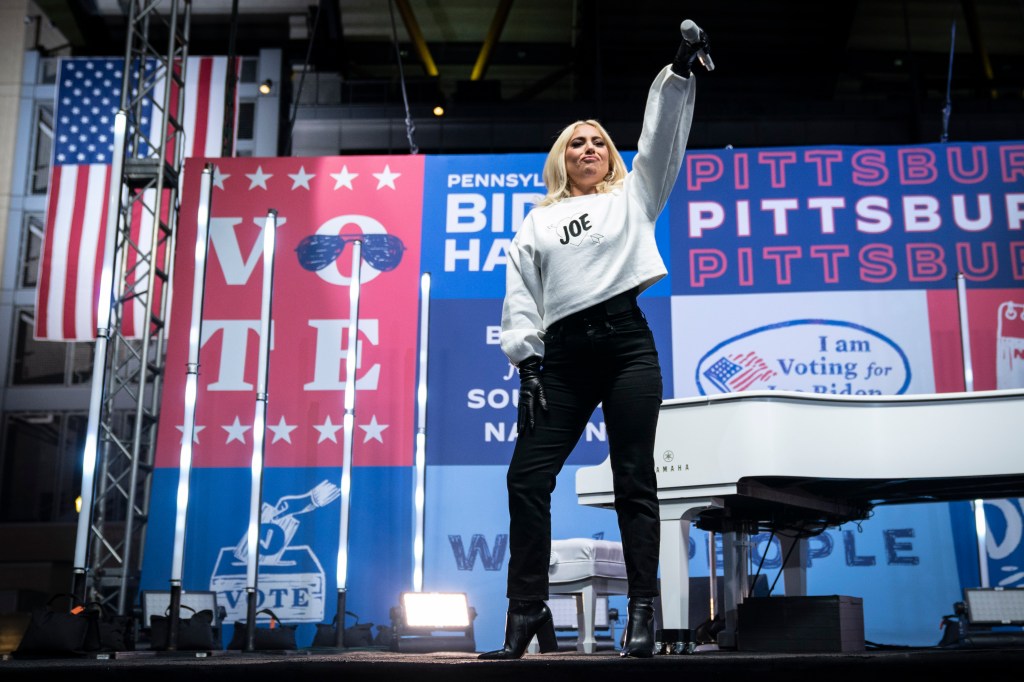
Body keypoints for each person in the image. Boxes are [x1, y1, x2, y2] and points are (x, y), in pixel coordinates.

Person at [478, 20, 710, 660]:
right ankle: (526, 613)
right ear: (560, 158)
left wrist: (679, 71)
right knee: (527, 479)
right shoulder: (537, 221)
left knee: (636, 480)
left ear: (610, 155)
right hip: (563, 359)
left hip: (627, 346)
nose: (588, 148)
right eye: (576, 142)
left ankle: (642, 614)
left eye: (598, 142)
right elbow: (520, 298)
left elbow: (660, 139)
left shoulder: (634, 196)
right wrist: (527, 364)